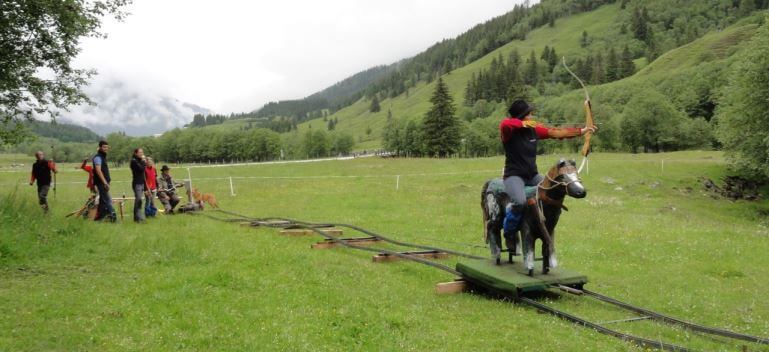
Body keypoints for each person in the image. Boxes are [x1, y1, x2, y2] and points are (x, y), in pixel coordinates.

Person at [499, 100, 596, 232]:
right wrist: (522, 124)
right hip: (514, 176)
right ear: (521, 116)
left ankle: (542, 225)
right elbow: (505, 124)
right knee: (519, 203)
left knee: (553, 188)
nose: (531, 117)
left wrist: (582, 130)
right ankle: (508, 231)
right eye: (529, 114)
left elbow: (557, 133)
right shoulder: (509, 132)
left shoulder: (534, 130)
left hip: (532, 175)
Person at [92, 140, 116, 222]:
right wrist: (105, 182)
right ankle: (113, 218)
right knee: (108, 200)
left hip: (104, 182)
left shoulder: (102, 157)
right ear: (100, 147)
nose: (106, 149)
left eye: (107, 147)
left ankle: (99, 218)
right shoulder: (98, 157)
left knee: (102, 201)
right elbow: (98, 171)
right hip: (102, 183)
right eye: (104, 147)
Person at [130, 148, 147, 223]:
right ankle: (138, 218)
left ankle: (138, 218)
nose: (142, 154)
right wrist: (143, 161)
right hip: (137, 183)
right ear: (135, 153)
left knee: (139, 201)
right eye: (140, 152)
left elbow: (143, 173)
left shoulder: (139, 161)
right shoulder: (133, 161)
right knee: (138, 200)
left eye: (142, 152)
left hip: (142, 183)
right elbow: (141, 169)